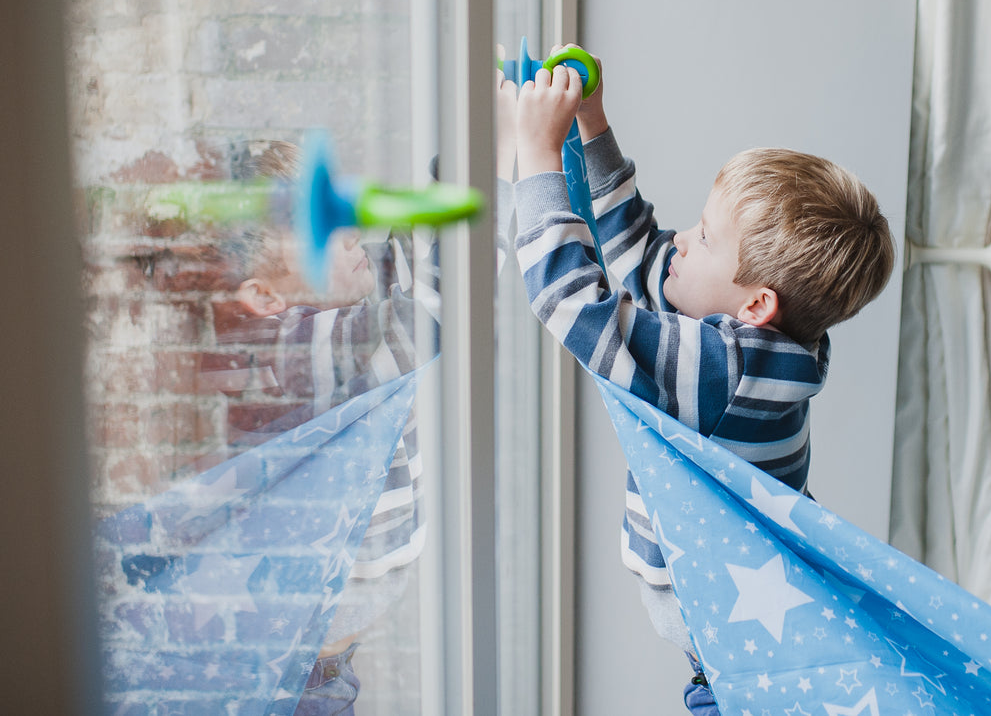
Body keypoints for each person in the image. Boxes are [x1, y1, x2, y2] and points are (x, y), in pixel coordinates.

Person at [507, 51, 895, 712]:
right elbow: (644, 260)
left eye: (707, 238)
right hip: (730, 637)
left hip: (729, 629)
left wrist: (537, 155)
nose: (682, 239)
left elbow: (572, 303)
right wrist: (593, 125)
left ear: (754, 306)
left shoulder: (726, 371)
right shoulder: (779, 345)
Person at [209, 139, 437, 716]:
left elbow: (404, 268)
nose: (353, 232)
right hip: (296, 673)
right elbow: (422, 320)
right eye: (323, 227)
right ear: (263, 295)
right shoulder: (283, 352)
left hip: (322, 662)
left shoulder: (321, 330)